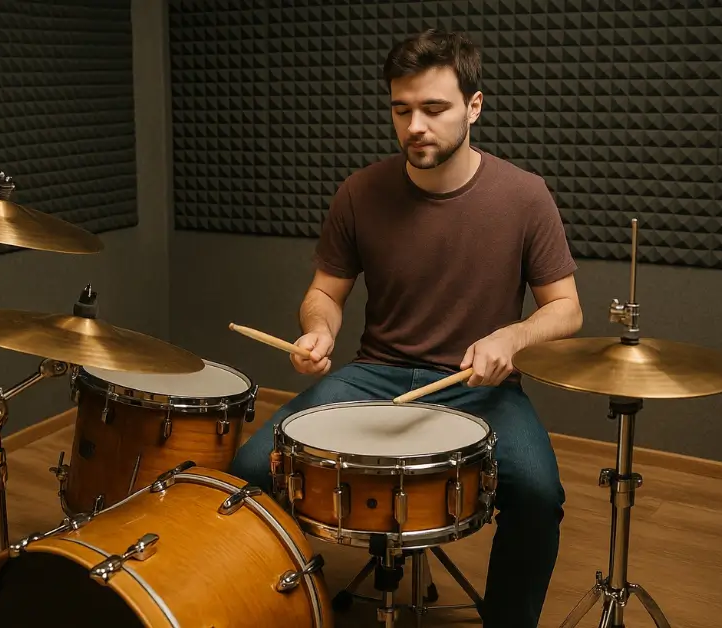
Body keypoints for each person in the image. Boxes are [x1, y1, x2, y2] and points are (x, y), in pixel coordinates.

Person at [228, 29, 582, 628]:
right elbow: (323, 293)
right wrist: (318, 331)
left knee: (539, 496)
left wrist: (511, 338)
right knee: (253, 468)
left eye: (434, 108)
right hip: (373, 375)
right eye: (401, 109)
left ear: (474, 106)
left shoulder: (525, 197)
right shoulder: (360, 192)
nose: (415, 125)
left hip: (480, 385)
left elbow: (567, 309)